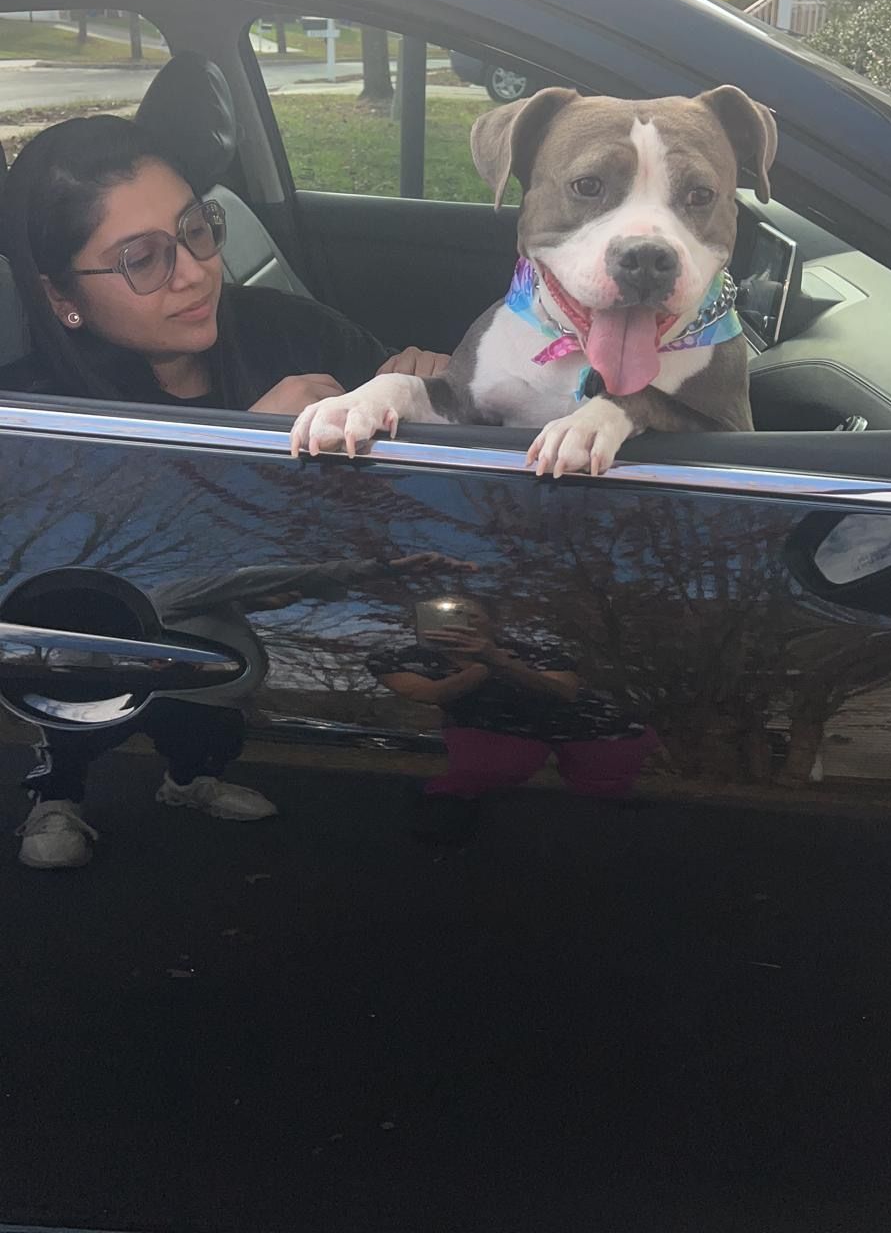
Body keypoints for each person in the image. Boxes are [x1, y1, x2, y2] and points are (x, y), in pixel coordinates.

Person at [0, 114, 448, 868]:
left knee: (206, 722)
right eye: (143, 259)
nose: (195, 272)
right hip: (106, 639)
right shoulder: (38, 418)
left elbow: (418, 462)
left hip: (258, 636)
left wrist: (426, 391)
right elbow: (81, 563)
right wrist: (248, 447)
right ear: (59, 295)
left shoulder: (292, 331)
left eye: (196, 229)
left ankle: (190, 780)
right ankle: (57, 796)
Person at [368, 599, 657, 843]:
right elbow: (427, 693)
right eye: (441, 616)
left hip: (595, 727)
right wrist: (483, 666)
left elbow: (564, 691)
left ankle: (601, 848)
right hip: (496, 727)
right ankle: (440, 825)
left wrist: (502, 661)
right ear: (419, 623)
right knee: (473, 780)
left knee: (601, 800)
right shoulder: (397, 658)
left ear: (493, 622)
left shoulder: (537, 652)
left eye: (471, 616)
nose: (458, 622)